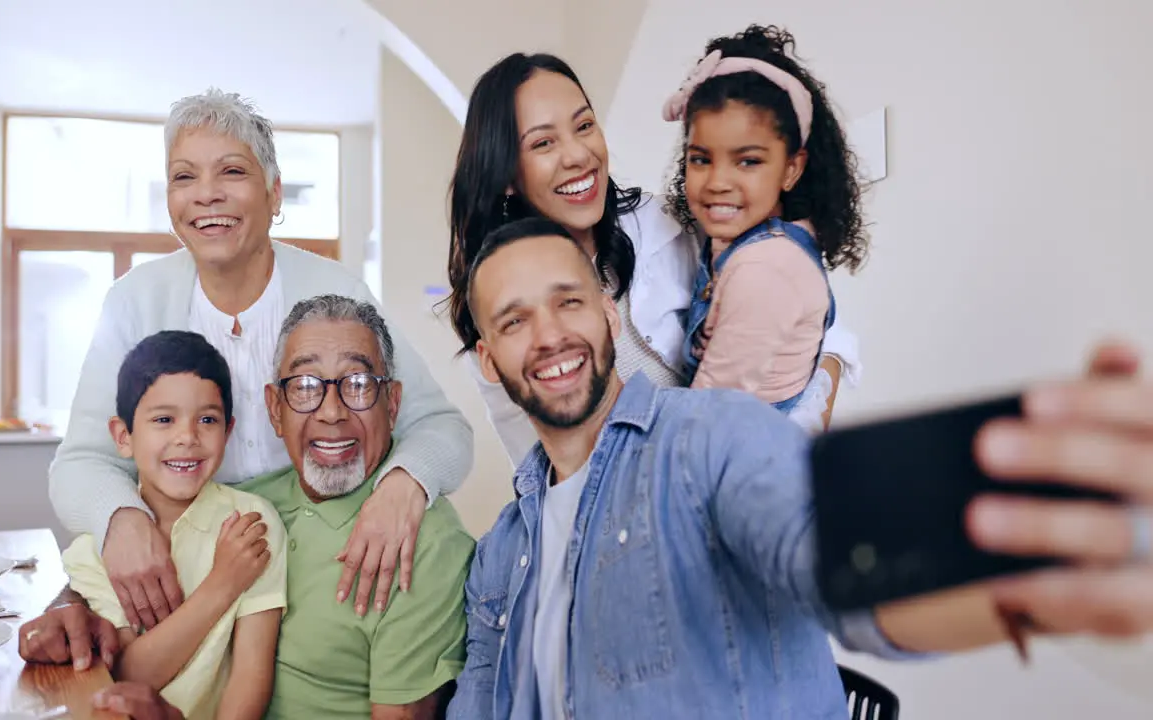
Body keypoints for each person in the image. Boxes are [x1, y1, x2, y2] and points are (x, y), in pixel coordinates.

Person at [446, 217, 1153, 719]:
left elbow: (834, 568)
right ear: (488, 358)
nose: (549, 336)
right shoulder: (500, 554)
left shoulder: (712, 439)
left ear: (605, 311)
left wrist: (1014, 591)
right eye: (513, 321)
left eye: (567, 302)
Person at [49, 88, 473, 632]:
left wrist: (403, 484)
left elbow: (442, 429)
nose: (206, 195)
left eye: (231, 172)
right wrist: (120, 518)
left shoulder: (334, 291)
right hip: (188, 579)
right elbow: (79, 464)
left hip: (326, 569)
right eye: (184, 177)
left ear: (275, 194)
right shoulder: (133, 301)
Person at [25, 296, 474, 720]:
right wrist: (68, 608)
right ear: (275, 409)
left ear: (392, 404)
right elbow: (96, 588)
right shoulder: (250, 503)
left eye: (357, 385)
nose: (332, 411)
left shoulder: (421, 541)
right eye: (304, 387)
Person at [445, 51, 858, 461]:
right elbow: (552, 474)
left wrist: (793, 440)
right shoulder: (500, 321)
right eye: (543, 143)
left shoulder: (674, 224)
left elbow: (820, 332)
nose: (577, 155)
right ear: (506, 176)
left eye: (584, 125)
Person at [61, 330, 286, 720]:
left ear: (228, 431)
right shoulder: (95, 552)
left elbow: (251, 675)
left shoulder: (253, 523)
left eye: (208, 419)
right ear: (123, 436)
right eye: (164, 419)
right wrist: (222, 584)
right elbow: (126, 674)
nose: (187, 437)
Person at [664, 26, 865, 427]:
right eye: (701, 159)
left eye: (748, 161)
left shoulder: (765, 267)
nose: (718, 181)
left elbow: (710, 417)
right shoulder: (746, 243)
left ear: (792, 168)